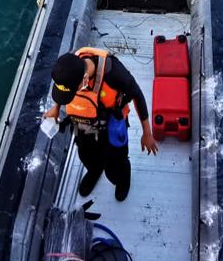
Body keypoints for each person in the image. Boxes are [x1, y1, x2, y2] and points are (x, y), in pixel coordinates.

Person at [44, 48, 158, 202]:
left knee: (114, 167)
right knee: (86, 156)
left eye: (72, 91)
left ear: (85, 79)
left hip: (110, 124)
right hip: (83, 122)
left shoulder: (114, 73)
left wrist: (147, 133)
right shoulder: (68, 69)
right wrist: (56, 108)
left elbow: (137, 94)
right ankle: (95, 170)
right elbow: (63, 88)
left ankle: (122, 177)